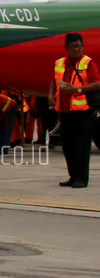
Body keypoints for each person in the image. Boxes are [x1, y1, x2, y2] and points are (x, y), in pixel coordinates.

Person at [48, 32, 100, 188]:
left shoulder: (88, 62)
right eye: (73, 46)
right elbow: (54, 79)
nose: (76, 49)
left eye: (79, 45)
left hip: (83, 111)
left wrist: (77, 90)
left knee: (81, 146)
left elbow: (97, 83)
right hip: (65, 111)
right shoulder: (60, 63)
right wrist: (51, 94)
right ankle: (73, 176)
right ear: (66, 48)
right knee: (68, 146)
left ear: (82, 46)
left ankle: (82, 178)